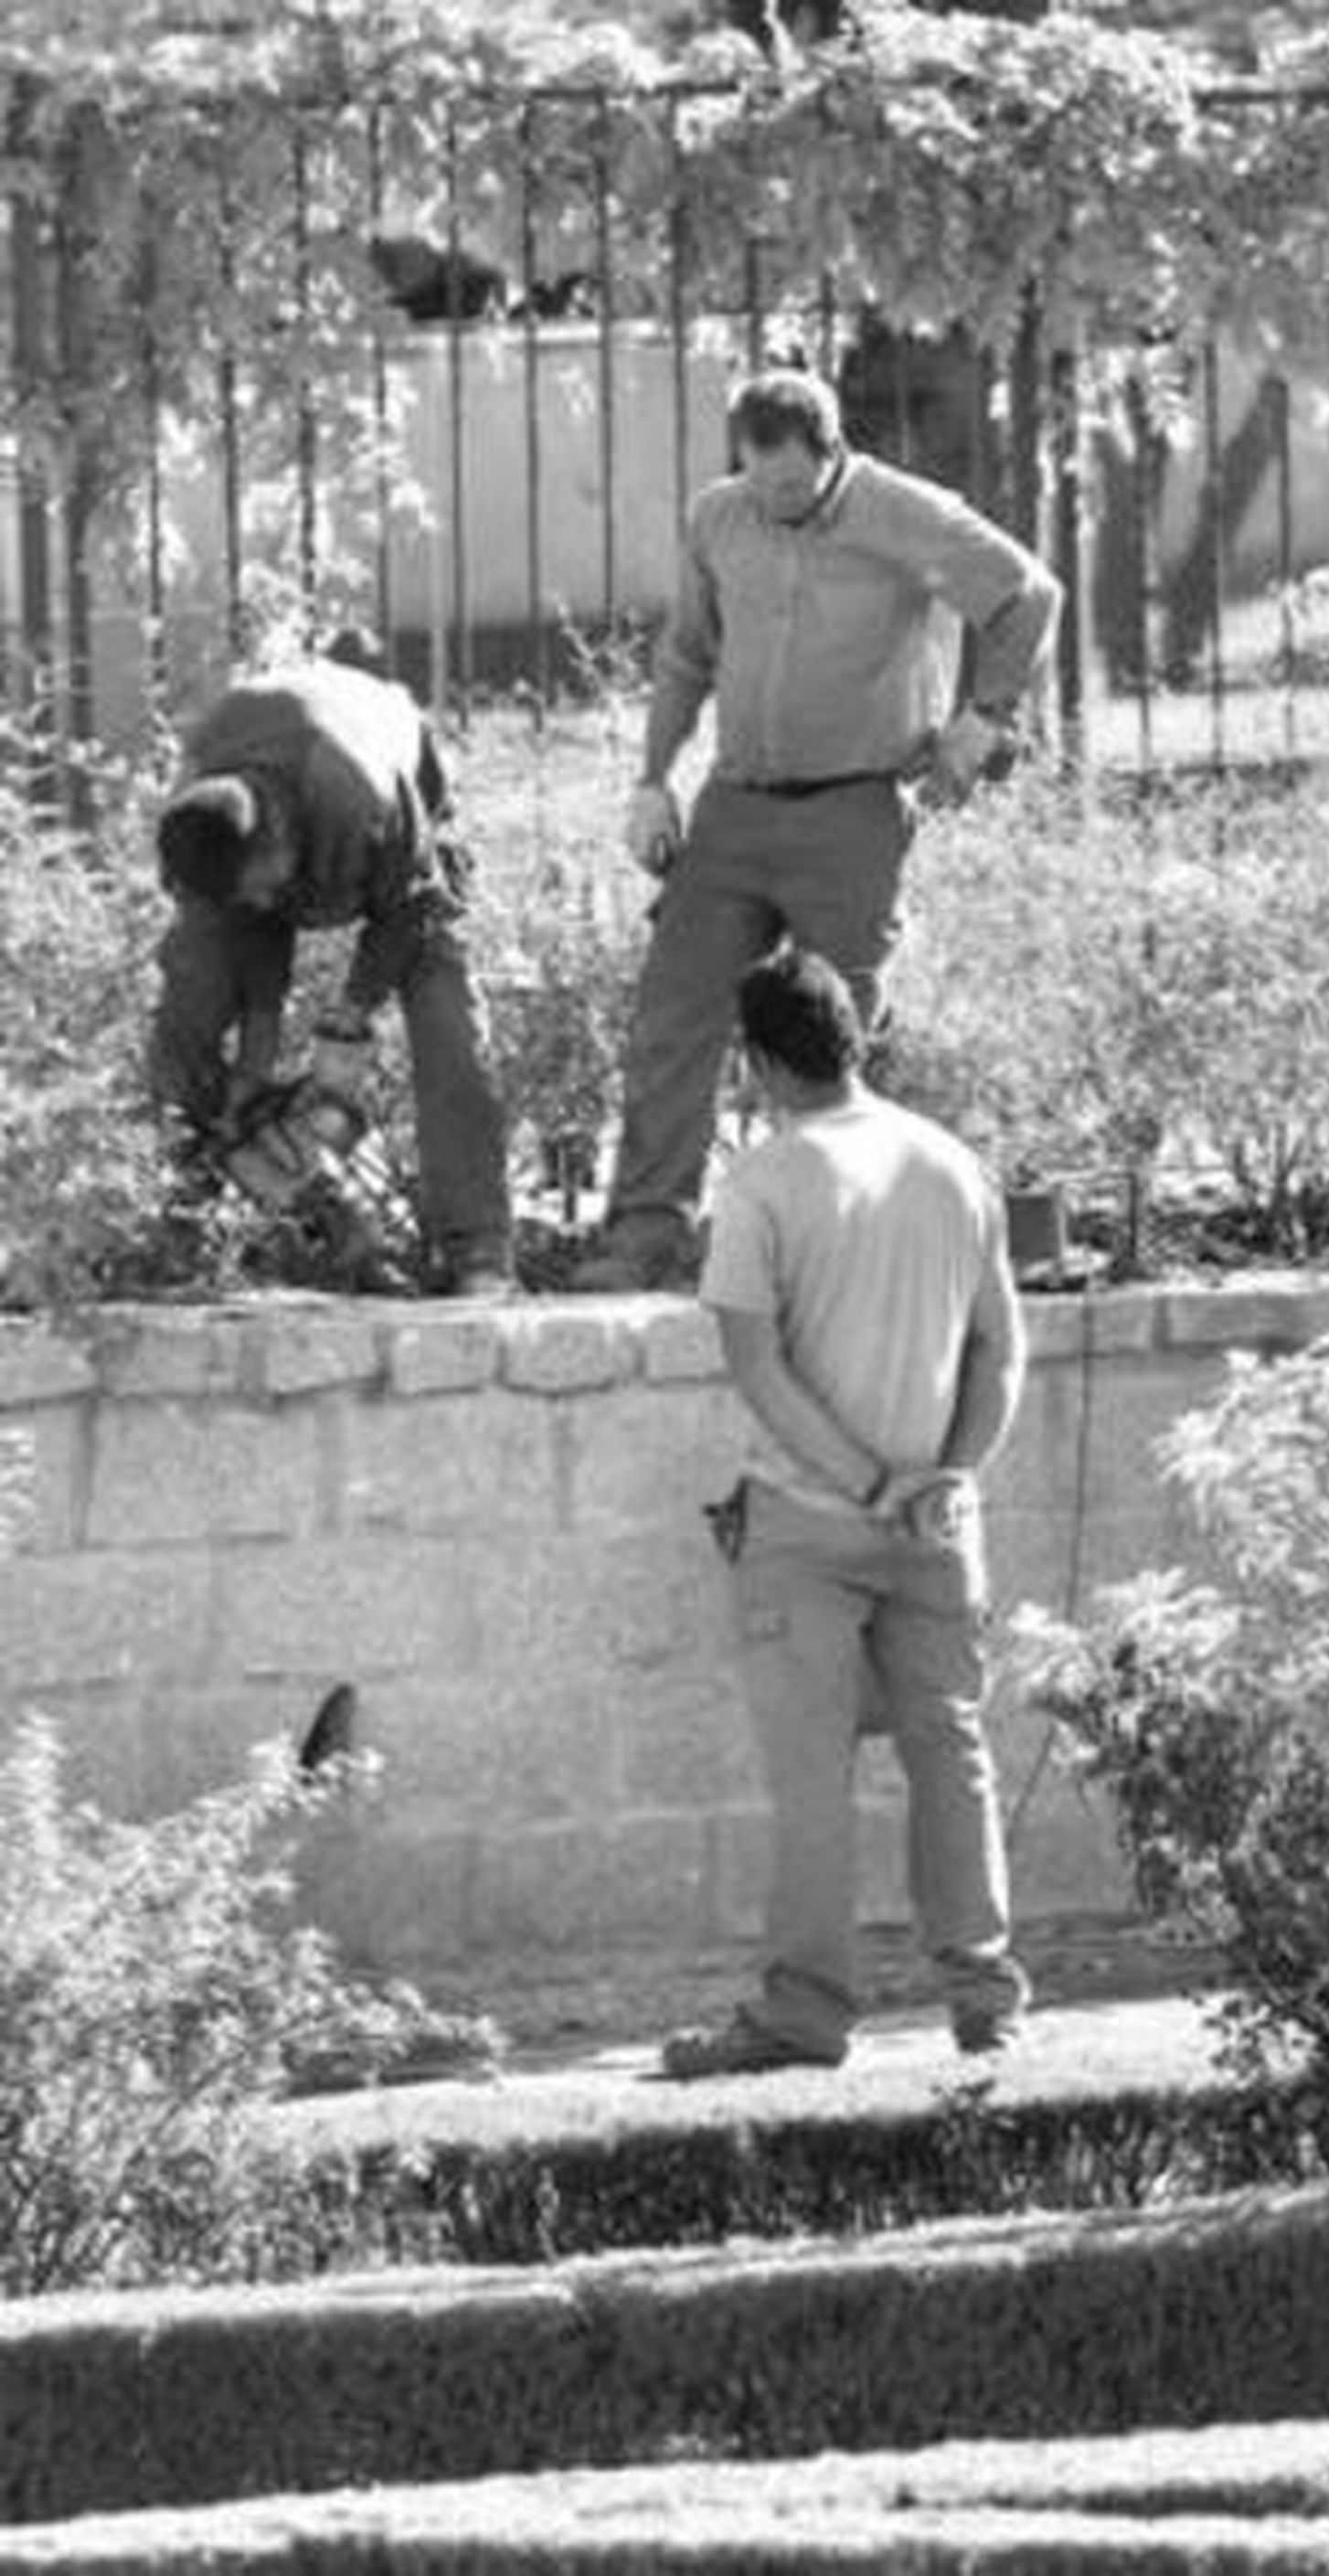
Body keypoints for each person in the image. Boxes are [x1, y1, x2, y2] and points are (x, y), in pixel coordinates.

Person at [573, 366, 1061, 1293]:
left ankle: (834, 1243)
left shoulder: (903, 513)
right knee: (672, 1017)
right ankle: (647, 1236)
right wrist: (650, 782)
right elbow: (686, 655)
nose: (776, 504)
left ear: (831, 455)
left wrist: (984, 715)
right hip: (734, 809)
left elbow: (1028, 594)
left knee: (834, 1041)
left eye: (792, 489)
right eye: (760, 485)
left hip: (855, 812)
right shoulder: (720, 517)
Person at [662, 945, 1028, 2078]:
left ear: (760, 1061)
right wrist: (945, 1479)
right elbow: (1000, 1348)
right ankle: (986, 2003)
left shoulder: (765, 1182)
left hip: (810, 1523)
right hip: (935, 1527)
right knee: (952, 1751)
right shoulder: (949, 1163)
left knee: (811, 1774)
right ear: (854, 1036)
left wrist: (870, 1486)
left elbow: (760, 1374)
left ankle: (806, 2016)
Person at [147, 653, 514, 1295]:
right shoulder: (200, 819)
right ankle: (180, 1224)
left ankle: (479, 1251)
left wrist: (351, 1014)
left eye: (265, 889)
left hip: (406, 827)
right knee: (192, 991)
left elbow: (408, 911)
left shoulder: (359, 791)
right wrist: (252, 1072)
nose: (264, 907)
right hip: (261, 791)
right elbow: (251, 928)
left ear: (280, 840)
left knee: (444, 1015)